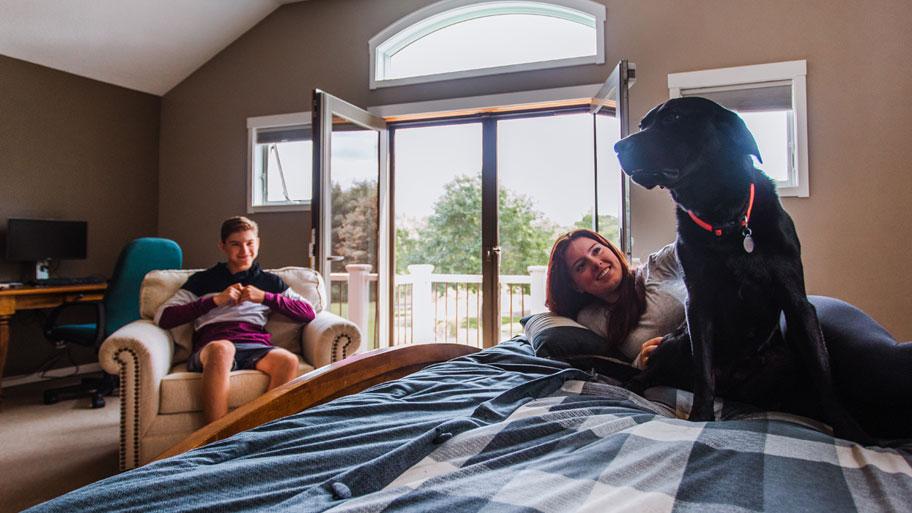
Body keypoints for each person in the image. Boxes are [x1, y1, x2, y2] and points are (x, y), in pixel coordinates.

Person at [546, 228, 911, 439]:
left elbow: (709, 240)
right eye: (581, 265)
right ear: (574, 284)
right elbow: (552, 333)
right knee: (880, 419)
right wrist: (641, 358)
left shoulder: (659, 265)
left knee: (887, 370)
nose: (596, 263)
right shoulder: (593, 319)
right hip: (751, 372)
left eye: (598, 250)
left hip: (781, 323)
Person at [155, 216, 315, 423]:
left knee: (288, 360)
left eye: (250, 243)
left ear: (258, 243)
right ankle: (217, 438)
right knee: (223, 349)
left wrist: (266, 297)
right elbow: (163, 317)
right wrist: (215, 301)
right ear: (222, 246)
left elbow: (308, 312)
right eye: (235, 244)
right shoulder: (202, 280)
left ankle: (260, 434)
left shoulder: (270, 282)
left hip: (255, 345)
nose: (244, 251)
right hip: (213, 346)